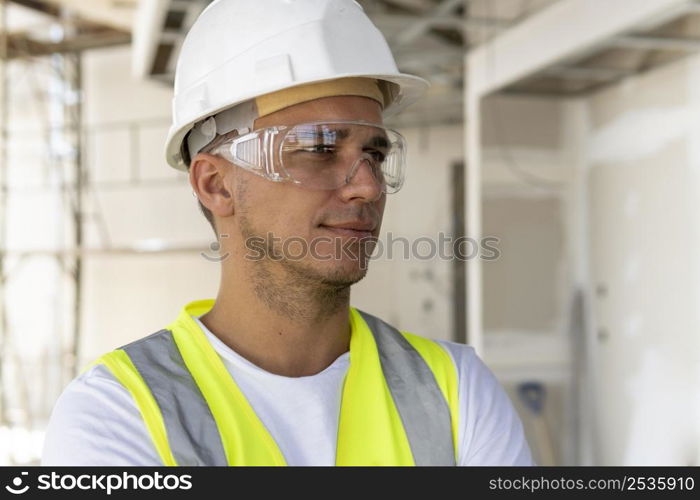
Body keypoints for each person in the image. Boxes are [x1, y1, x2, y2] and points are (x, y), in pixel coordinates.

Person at [42, 0, 533, 466]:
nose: (367, 185)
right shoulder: (117, 413)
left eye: (376, 154)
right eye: (318, 147)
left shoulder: (456, 390)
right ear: (216, 184)